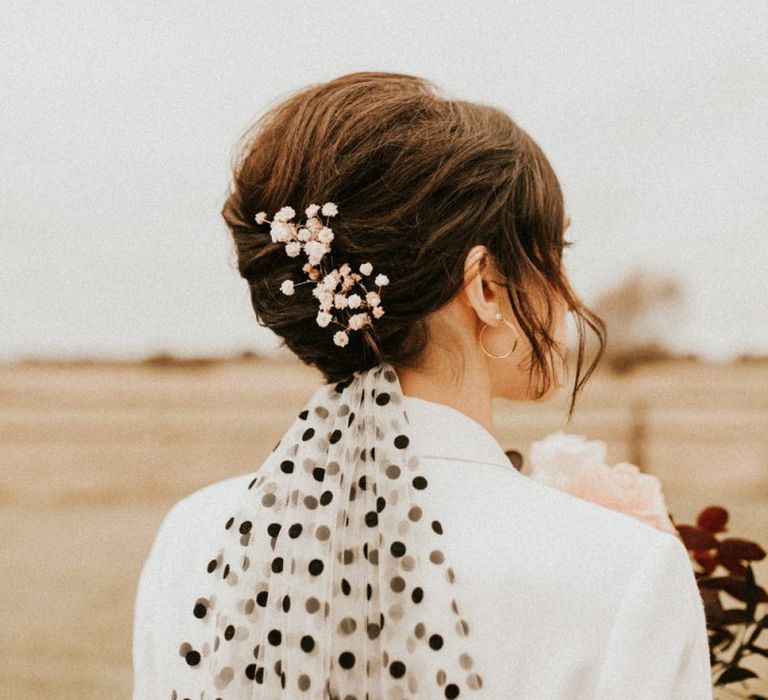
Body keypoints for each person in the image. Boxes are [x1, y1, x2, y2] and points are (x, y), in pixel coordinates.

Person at [132, 71, 712, 699]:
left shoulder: (193, 539)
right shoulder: (627, 573)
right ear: (486, 288)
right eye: (554, 250)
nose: (566, 295)